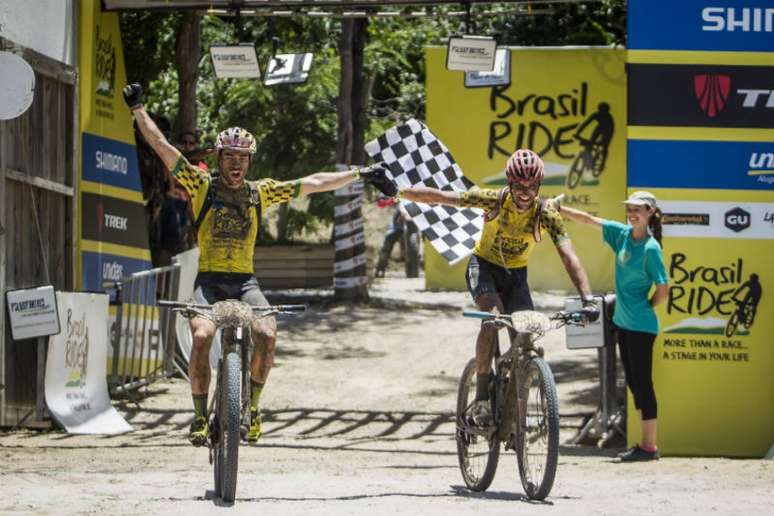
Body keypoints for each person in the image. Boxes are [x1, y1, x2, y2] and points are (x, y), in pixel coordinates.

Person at [122, 83, 396, 446]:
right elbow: (163, 149)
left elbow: (313, 183)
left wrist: (361, 173)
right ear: (219, 158)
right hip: (209, 281)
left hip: (245, 283)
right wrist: (138, 107)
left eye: (243, 158)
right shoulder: (201, 185)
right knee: (202, 336)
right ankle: (200, 416)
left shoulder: (260, 192)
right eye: (229, 157)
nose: (236, 164)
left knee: (267, 334)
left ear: (250, 161)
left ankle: (251, 407)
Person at [397, 149, 599, 426]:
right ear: (509, 182)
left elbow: (569, 255)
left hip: (516, 277)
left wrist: (587, 298)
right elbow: (442, 196)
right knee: (492, 320)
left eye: (532, 186)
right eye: (519, 186)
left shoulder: (547, 213)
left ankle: (516, 409)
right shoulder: (493, 200)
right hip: (484, 269)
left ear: (539, 185)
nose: (525, 193)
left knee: (526, 335)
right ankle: (481, 399)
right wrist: (398, 191)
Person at [552, 190, 668, 461]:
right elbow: (589, 220)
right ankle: (644, 445)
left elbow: (663, 291)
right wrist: (560, 209)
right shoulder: (622, 234)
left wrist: (643, 309)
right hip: (624, 324)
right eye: (630, 208)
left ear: (650, 212)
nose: (632, 213)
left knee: (643, 385)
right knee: (633, 384)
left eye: (638, 209)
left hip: (641, 327)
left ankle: (649, 447)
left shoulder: (651, 249)